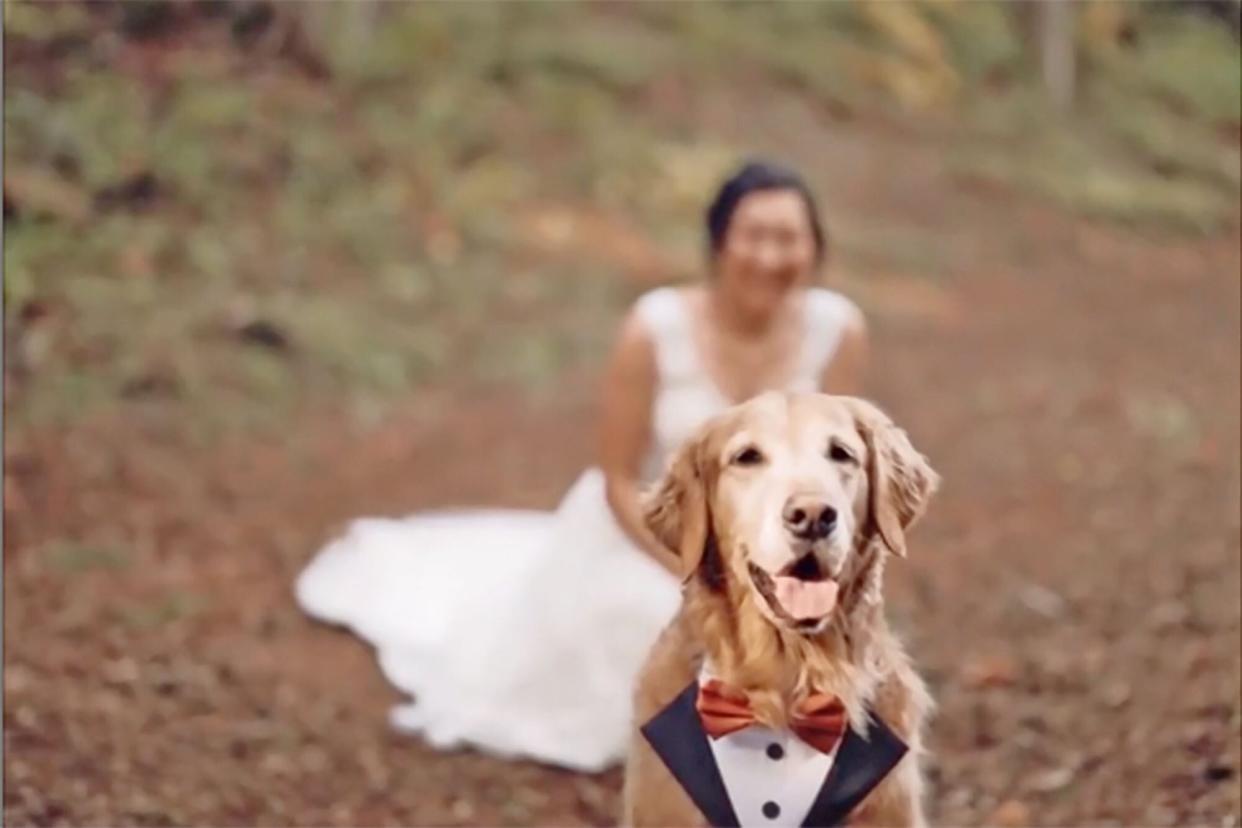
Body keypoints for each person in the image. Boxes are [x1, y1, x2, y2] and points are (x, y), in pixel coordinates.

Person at [294, 159, 868, 772]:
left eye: (789, 238)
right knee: (659, 630)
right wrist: (699, 573)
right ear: (719, 243)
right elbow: (618, 476)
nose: (769, 256)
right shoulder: (654, 329)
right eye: (753, 236)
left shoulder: (837, 331)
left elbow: (835, 475)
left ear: (814, 249)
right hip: (647, 535)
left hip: (777, 547)